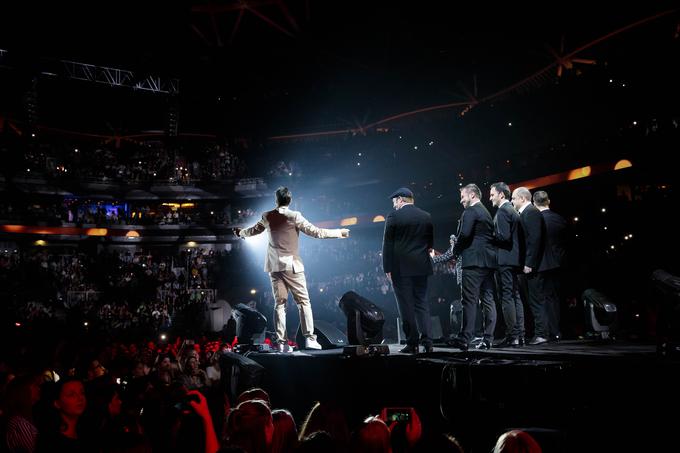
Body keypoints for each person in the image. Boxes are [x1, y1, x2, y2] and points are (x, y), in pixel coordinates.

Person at [235, 186, 350, 351]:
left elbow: (252, 231)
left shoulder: (267, 216)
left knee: (279, 304)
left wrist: (240, 233)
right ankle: (309, 338)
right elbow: (316, 232)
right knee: (303, 302)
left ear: (276, 200)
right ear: (290, 200)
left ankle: (282, 343)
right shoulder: (295, 216)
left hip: (274, 267)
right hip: (292, 266)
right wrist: (339, 233)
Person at [434, 184, 497, 350]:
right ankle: (488, 338)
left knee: (468, 301)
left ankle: (464, 339)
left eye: (463, 196)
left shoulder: (470, 211)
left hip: (472, 263)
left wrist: (455, 250)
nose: (461, 200)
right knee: (488, 301)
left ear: (473, 195)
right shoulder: (486, 212)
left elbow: (465, 235)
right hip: (488, 263)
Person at [382, 187, 434, 354]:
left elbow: (387, 244)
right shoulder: (426, 216)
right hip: (421, 267)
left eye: (394, 202)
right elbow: (430, 243)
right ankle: (428, 341)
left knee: (406, 306)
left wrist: (387, 268)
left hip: (400, 268)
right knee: (422, 304)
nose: (394, 205)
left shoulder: (394, 216)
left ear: (400, 200)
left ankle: (412, 343)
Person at [489, 182, 525, 347]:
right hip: (513, 260)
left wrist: (488, 236)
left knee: (507, 298)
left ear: (501, 195)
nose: (490, 198)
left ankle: (513, 336)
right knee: (515, 296)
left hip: (504, 260)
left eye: (492, 194)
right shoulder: (512, 211)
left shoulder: (503, 211)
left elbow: (503, 238)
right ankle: (520, 335)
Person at [512, 187, 547, 345]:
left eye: (514, 198)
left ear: (522, 198)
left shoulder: (531, 212)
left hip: (532, 266)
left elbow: (535, 239)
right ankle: (538, 333)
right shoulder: (525, 213)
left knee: (536, 300)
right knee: (531, 300)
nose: (512, 201)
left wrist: (528, 263)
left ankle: (542, 334)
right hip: (527, 265)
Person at [533, 190, 568, 342]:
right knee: (554, 298)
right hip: (558, 264)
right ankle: (556, 331)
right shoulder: (560, 219)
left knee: (540, 299)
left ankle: (544, 332)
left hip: (540, 264)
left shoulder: (536, 220)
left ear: (534, 203)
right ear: (548, 201)